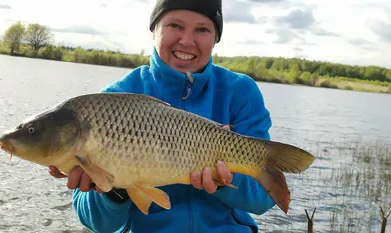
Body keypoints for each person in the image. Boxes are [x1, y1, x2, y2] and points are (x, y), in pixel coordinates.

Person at [49, 0, 276, 232]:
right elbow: (98, 224)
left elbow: (264, 199)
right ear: (154, 30)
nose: (187, 41)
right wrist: (115, 188)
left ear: (215, 39)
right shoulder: (112, 101)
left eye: (202, 29)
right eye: (175, 26)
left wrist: (224, 182)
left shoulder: (240, 92)